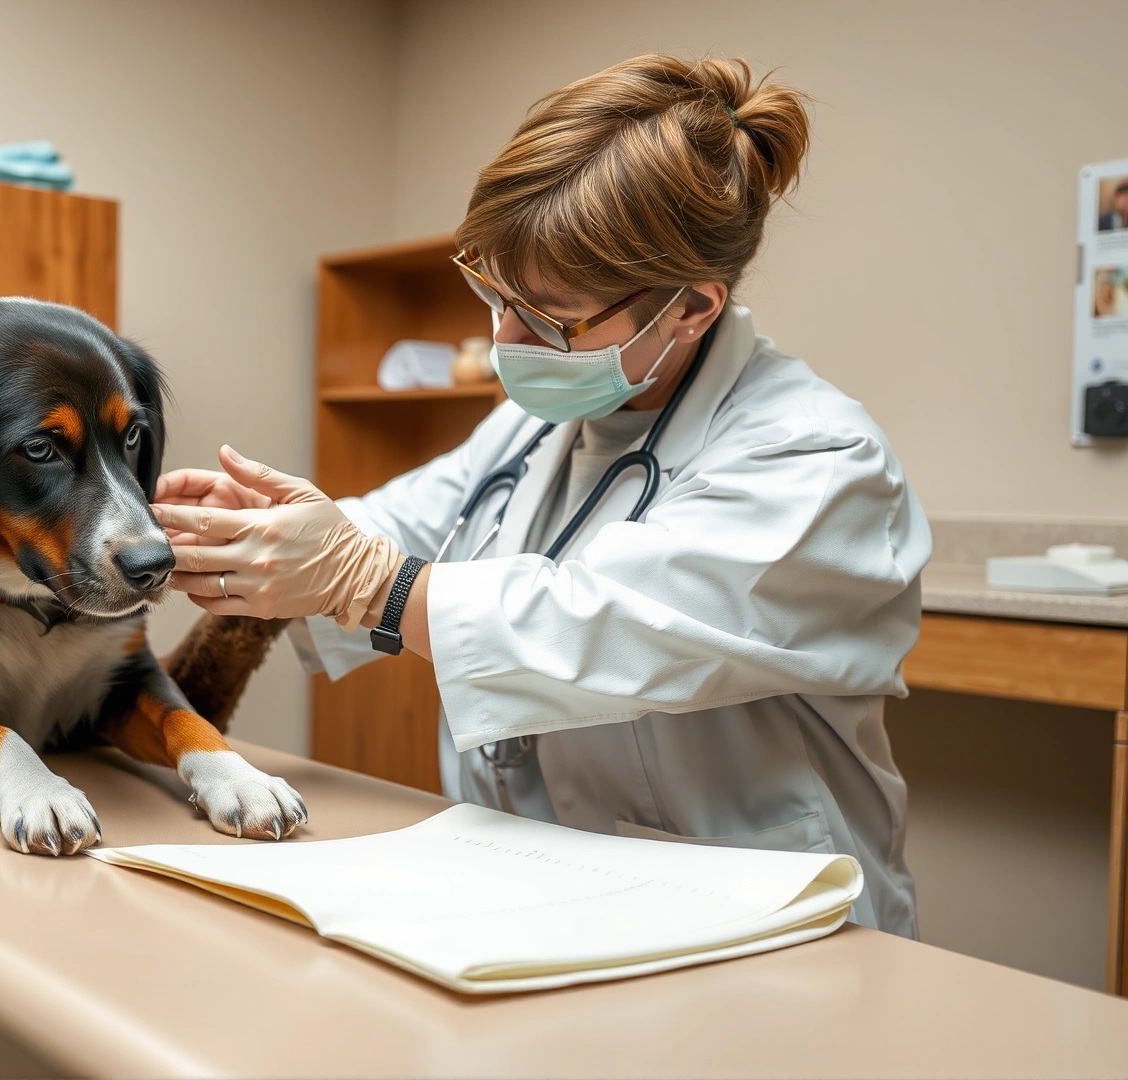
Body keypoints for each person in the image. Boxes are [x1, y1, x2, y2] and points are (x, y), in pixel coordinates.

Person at [151, 55, 929, 936]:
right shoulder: (537, 426)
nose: (505, 338)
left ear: (691, 309)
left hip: (760, 924)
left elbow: (596, 622)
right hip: (541, 897)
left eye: (552, 317)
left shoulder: (816, 458)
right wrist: (272, 532)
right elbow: (403, 527)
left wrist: (366, 580)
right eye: (493, 290)